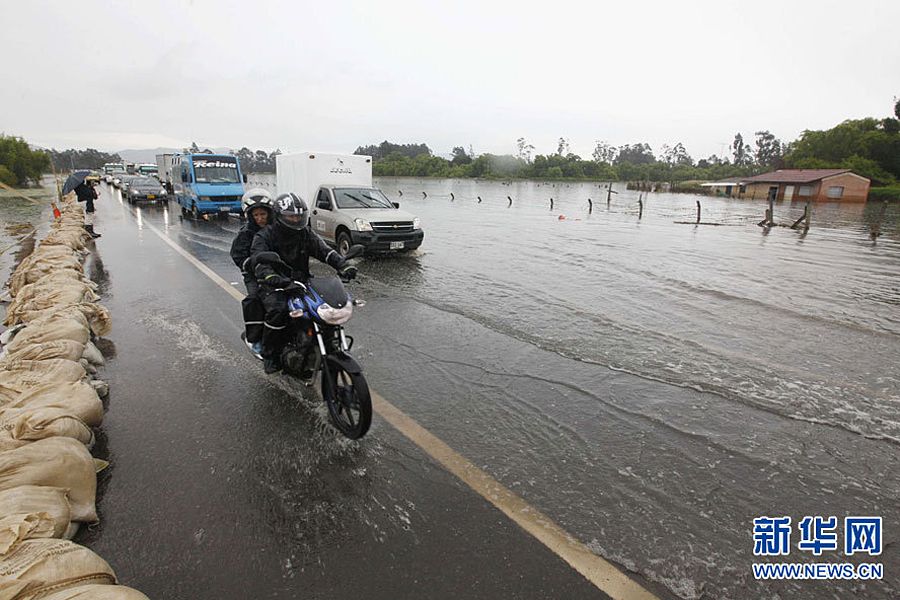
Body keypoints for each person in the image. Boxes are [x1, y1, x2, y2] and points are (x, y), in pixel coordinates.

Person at [250, 192, 357, 374]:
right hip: (274, 283)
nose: (296, 219)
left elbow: (324, 251)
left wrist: (344, 264)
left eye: (299, 216)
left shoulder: (305, 233)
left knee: (325, 306)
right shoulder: (265, 236)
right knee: (278, 310)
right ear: (280, 216)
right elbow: (259, 263)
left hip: (301, 281)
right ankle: (270, 355)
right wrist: (271, 277)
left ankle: (322, 343)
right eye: (291, 216)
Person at [230, 188, 275, 355]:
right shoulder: (246, 233)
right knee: (256, 299)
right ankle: (255, 339)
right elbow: (237, 255)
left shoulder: (278, 228)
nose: (260, 218)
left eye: (263, 214)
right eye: (256, 215)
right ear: (250, 216)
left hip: (278, 271)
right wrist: (252, 265)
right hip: (255, 275)